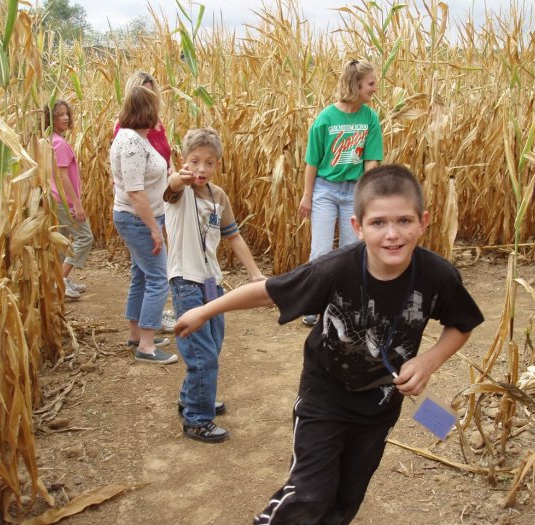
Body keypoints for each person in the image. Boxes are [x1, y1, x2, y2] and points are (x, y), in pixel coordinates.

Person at [175, 164, 484, 523]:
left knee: (344, 501)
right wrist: (205, 310)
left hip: (379, 406)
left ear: (423, 221)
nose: (392, 234)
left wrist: (428, 362)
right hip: (325, 395)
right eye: (379, 223)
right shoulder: (336, 269)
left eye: (404, 221)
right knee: (309, 493)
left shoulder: (438, 276)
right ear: (357, 226)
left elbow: (461, 325)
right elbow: (268, 292)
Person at [165, 127, 265, 443]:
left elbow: (233, 235)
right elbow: (171, 186)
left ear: (217, 165)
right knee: (202, 354)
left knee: (213, 345)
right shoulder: (179, 192)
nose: (201, 169)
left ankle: (193, 398)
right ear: (184, 161)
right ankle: (197, 419)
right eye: (194, 161)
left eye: (209, 163)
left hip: (211, 284)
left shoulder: (218, 196)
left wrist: (255, 275)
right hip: (185, 282)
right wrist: (179, 177)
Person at [298, 59, 383, 326]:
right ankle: (313, 304)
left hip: (354, 191)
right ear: (355, 85)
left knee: (353, 250)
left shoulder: (370, 118)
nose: (375, 88)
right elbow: (313, 161)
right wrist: (307, 195)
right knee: (321, 250)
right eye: (371, 84)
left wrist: (367, 197)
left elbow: (371, 161)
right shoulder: (326, 118)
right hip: (325, 189)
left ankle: (347, 305)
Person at [110, 85, 177, 364]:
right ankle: (147, 346)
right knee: (158, 277)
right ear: (148, 111)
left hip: (140, 218)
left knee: (141, 275)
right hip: (138, 220)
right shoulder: (132, 144)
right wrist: (153, 228)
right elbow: (135, 192)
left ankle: (137, 334)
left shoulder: (137, 138)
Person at [45, 100, 94, 300]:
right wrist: (76, 204)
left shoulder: (48, 140)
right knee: (85, 237)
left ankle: (57, 280)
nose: (65, 118)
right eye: (59, 115)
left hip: (53, 199)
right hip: (63, 201)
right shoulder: (59, 143)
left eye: (66, 114)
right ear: (50, 118)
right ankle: (61, 281)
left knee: (61, 242)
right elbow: (63, 177)